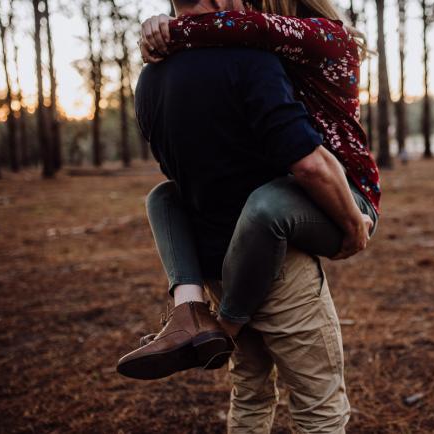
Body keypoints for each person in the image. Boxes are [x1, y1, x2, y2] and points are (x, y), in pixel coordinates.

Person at [116, 0, 380, 381]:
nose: (238, 9)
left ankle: (226, 327)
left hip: (349, 193)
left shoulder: (324, 37)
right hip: (300, 196)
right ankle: (187, 310)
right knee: (163, 196)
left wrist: (165, 31)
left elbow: (250, 28)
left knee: (266, 204)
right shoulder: (265, 52)